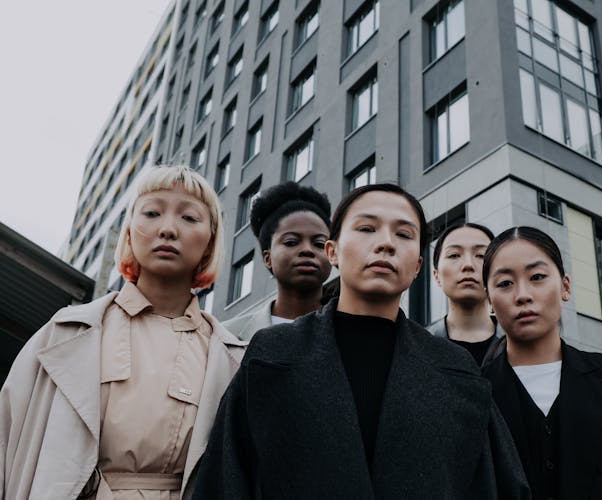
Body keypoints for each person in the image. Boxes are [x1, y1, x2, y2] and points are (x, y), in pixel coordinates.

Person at [191, 183, 531, 499]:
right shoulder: (272, 354)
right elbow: (225, 481)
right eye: (367, 229)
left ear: (417, 266)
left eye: (403, 233)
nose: (385, 243)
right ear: (333, 252)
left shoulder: (456, 369)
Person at [0, 165, 247, 499]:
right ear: (129, 232)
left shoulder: (233, 359)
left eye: (189, 218)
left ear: (210, 242)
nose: (168, 229)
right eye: (152, 213)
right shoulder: (65, 332)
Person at [481, 226, 602, 500]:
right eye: (505, 283)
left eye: (537, 277)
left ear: (565, 287)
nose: (523, 295)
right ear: (489, 301)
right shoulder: (474, 392)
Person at [224, 182, 332, 340]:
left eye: (319, 244)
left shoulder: (353, 332)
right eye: (291, 242)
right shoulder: (226, 336)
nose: (307, 250)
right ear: (268, 258)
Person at [429, 222, 502, 366]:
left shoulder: (519, 342)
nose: (468, 264)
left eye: (481, 255)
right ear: (437, 276)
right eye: (454, 255)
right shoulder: (417, 344)